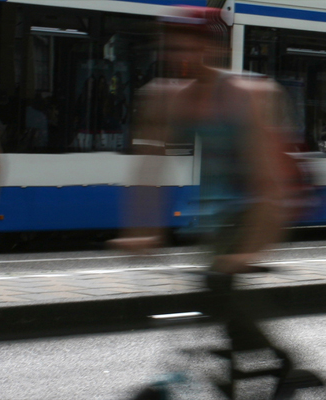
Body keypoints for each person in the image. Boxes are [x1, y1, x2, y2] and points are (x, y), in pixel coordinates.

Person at [112, 6, 293, 352]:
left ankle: (284, 365)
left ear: (214, 49)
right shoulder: (165, 97)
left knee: (220, 289)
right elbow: (149, 169)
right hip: (213, 214)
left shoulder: (247, 96)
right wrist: (140, 232)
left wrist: (252, 249)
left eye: (189, 47)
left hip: (252, 209)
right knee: (221, 306)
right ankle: (261, 360)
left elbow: (269, 181)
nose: (179, 57)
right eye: (172, 48)